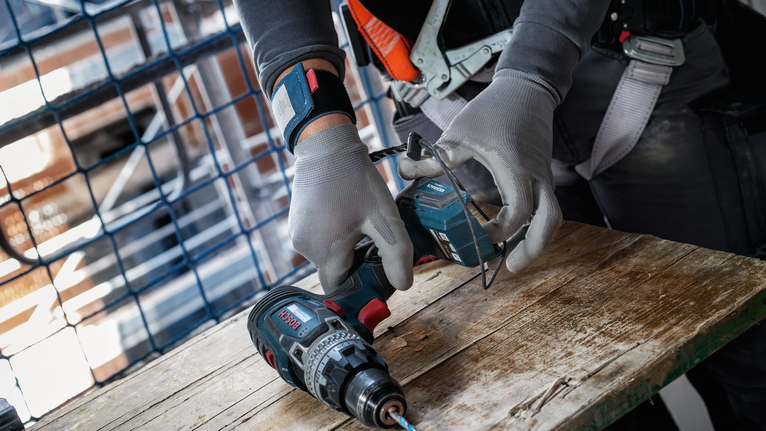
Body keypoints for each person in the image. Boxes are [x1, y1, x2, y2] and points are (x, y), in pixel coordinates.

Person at [232, 0, 765, 429]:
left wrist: (532, 75)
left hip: (633, 58)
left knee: (749, 349)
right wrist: (318, 132)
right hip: (448, 106)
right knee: (577, 378)